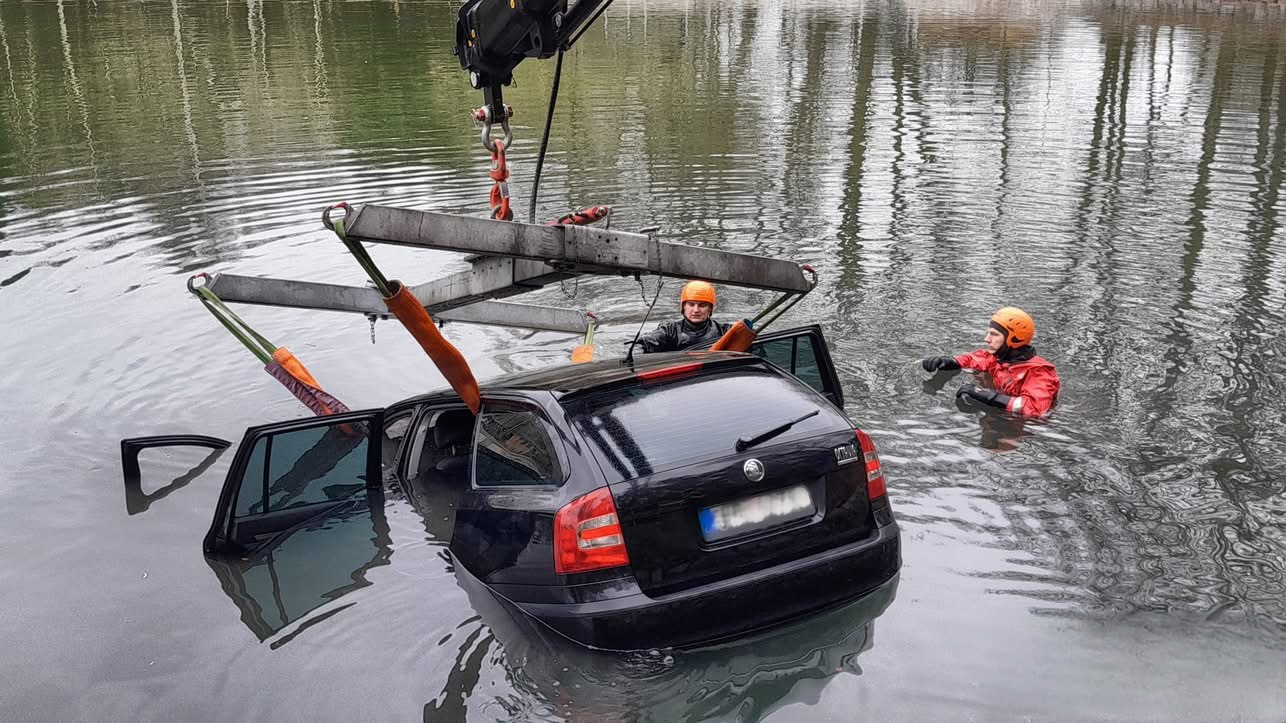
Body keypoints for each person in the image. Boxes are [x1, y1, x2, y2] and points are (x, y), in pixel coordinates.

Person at [920, 307, 1060, 418]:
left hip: (1023, 427)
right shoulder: (999, 358)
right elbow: (974, 359)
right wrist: (949, 361)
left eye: (994, 334)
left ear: (1013, 339)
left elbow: (1035, 409)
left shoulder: (1039, 372)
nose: (987, 339)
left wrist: (983, 395)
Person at [635, 280, 729, 353]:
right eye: (691, 304)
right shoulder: (670, 330)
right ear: (683, 307)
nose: (696, 310)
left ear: (710, 309)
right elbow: (643, 344)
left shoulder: (724, 331)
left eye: (702, 305)